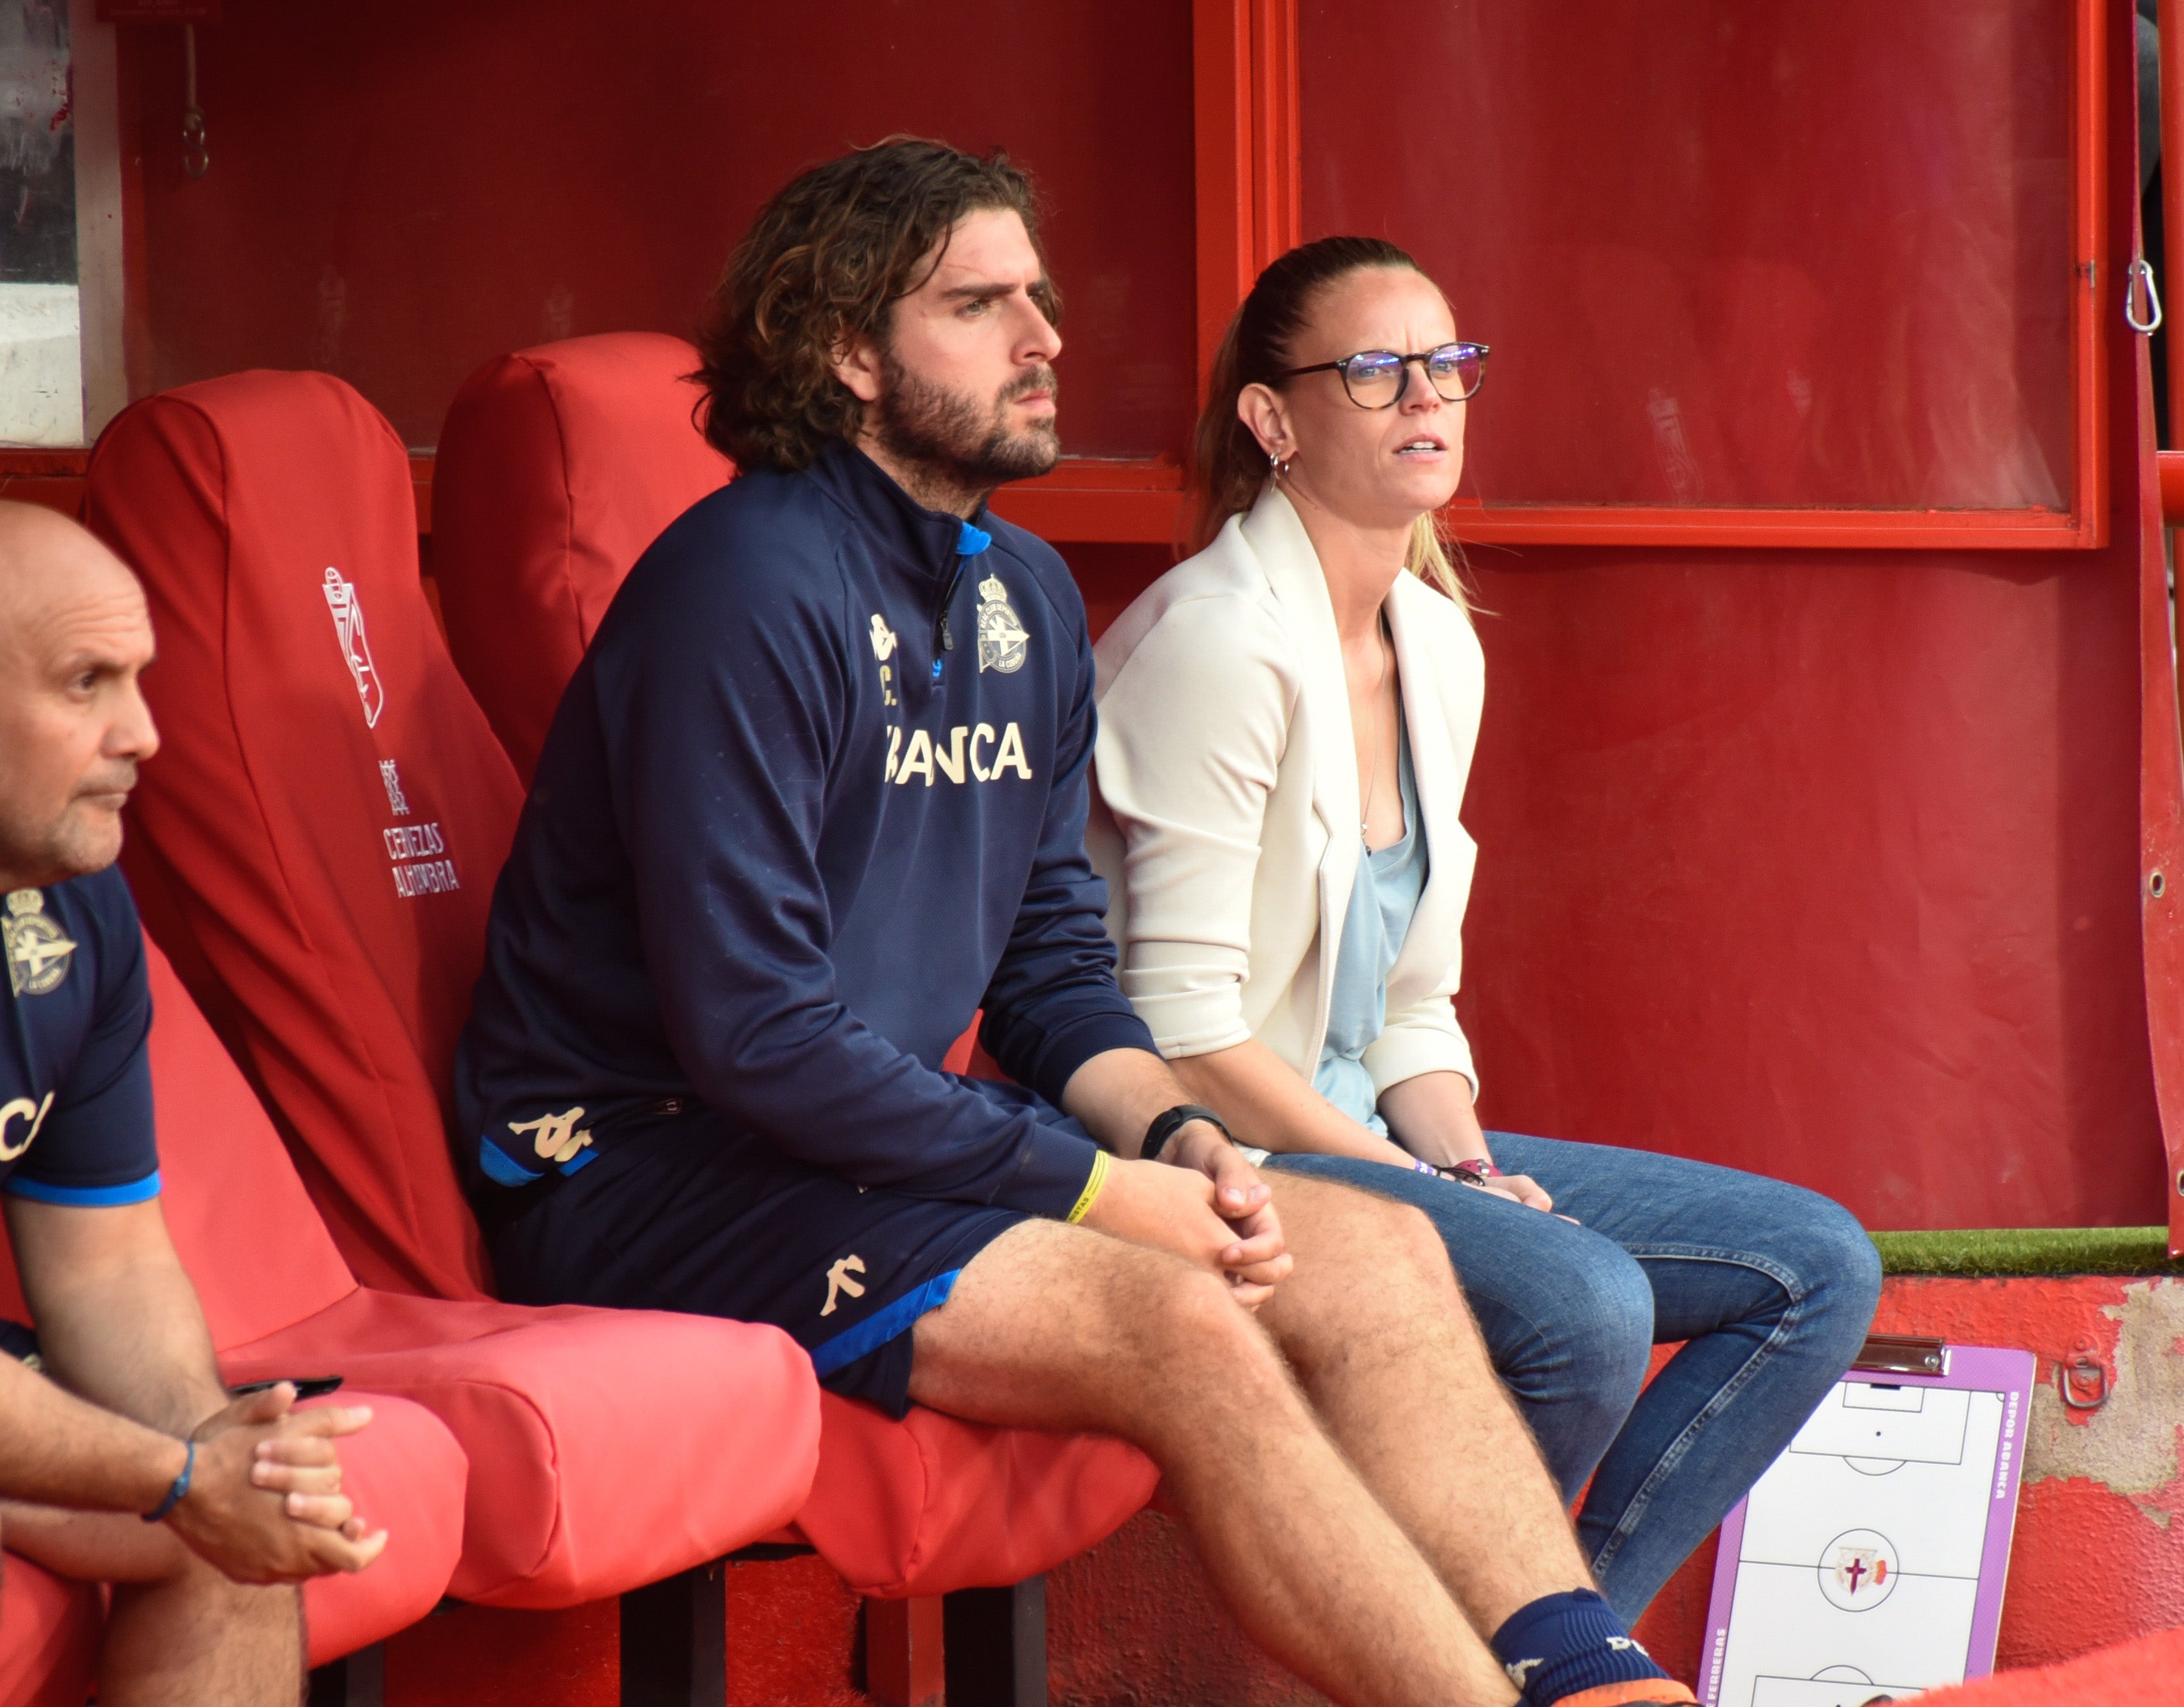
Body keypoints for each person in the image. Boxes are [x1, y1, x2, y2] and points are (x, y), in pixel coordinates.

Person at [454, 140, 1701, 1707]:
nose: (1047, 335)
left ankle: (1586, 1674)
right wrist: (1102, 1193)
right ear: (848, 352)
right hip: (647, 1160)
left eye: (1037, 294)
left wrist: (1176, 1135)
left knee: (1378, 1255)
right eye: (979, 305)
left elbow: (1048, 955)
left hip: (857, 1145)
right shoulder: (744, 592)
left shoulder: (1025, 592)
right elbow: (758, 1034)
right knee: (1181, 1320)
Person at [1086, 236, 1885, 1623]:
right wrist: (1433, 1183)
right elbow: (1183, 1032)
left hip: (1362, 1132)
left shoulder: (1434, 638)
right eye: (1377, 369)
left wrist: (1457, 1153)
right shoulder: (1216, 641)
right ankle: (1494, 1653)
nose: (1428, 398)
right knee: (1582, 1302)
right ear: (1275, 420)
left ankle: (1545, 1648)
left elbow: (1408, 1005)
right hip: (1200, 1151)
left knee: (1815, 1265)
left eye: (1448, 363)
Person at [0, 502, 389, 1706]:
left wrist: (220, 1460)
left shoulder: (74, 906)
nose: (144, 735)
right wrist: (171, 1476)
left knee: (239, 1531)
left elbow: (107, 1262)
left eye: (139, 679)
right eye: (85, 684)